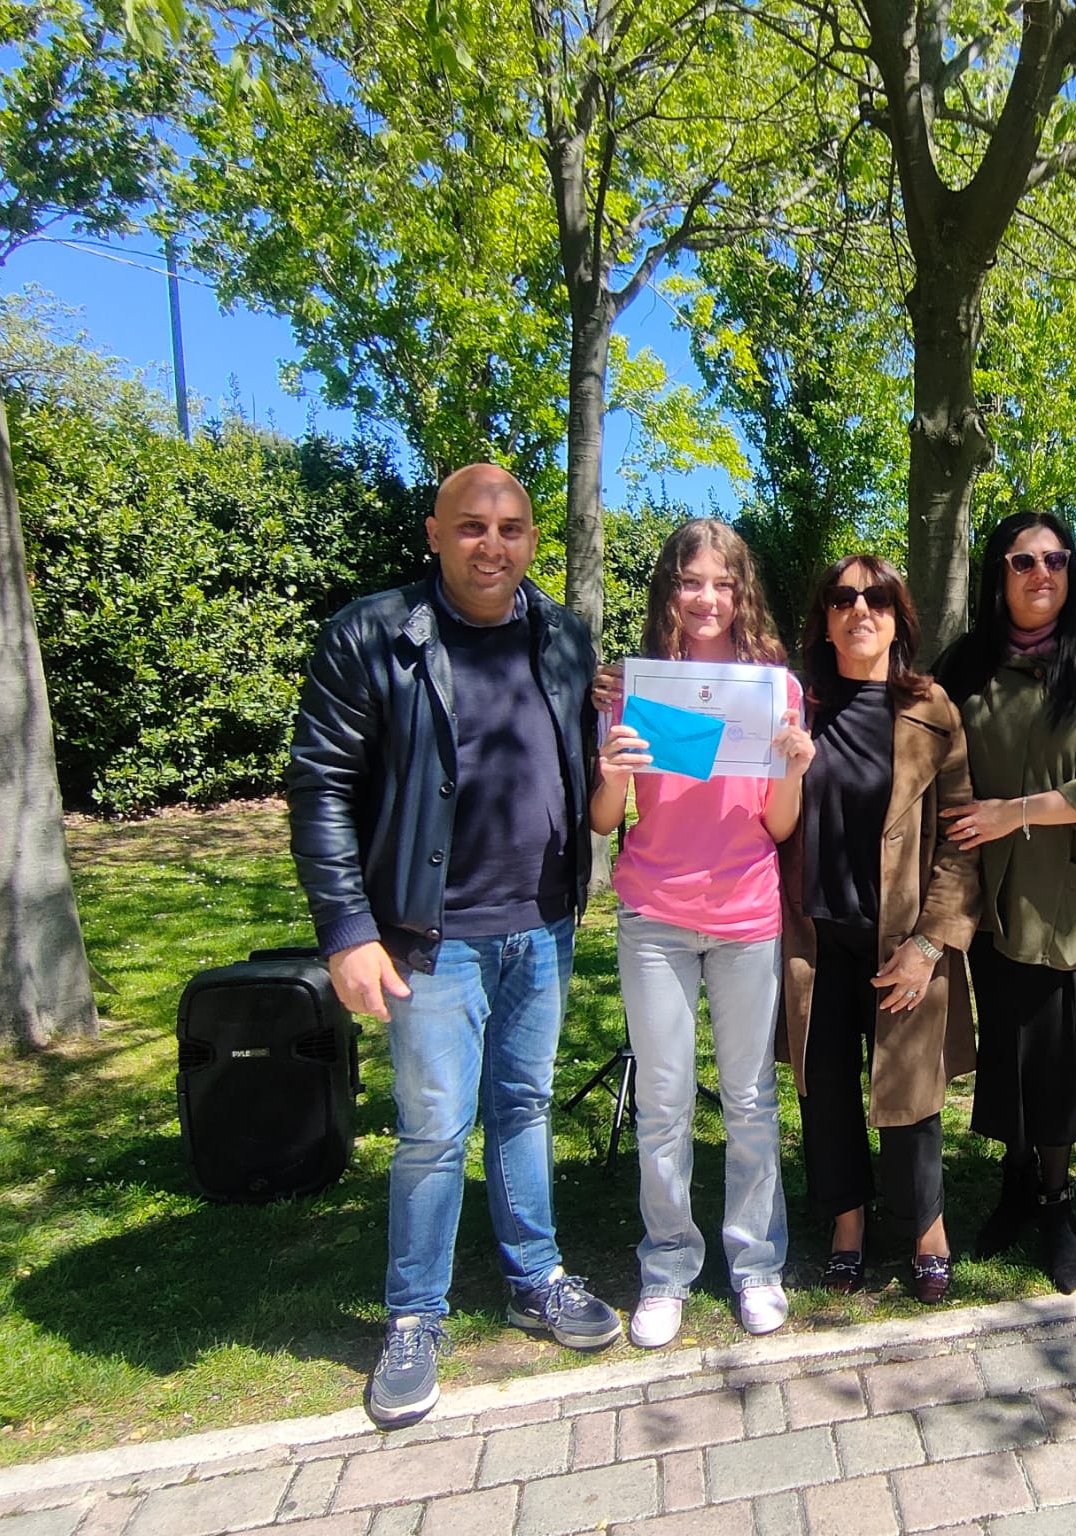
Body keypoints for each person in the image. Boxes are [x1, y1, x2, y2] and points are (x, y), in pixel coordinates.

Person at [286, 463, 622, 1431]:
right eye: (471, 526)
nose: (492, 544)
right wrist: (348, 931)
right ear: (434, 533)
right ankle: (413, 1317)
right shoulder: (371, 635)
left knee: (522, 1106)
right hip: (429, 937)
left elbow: (580, 758)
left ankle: (535, 1277)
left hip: (542, 924)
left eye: (511, 528)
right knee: (434, 1129)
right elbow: (320, 785)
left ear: (532, 539)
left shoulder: (561, 635)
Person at [589, 519, 813, 1349]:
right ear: (669, 590)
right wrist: (608, 772)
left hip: (747, 915)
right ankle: (667, 1268)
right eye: (691, 582)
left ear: (742, 590)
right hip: (654, 916)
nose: (707, 598)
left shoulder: (776, 690)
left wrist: (793, 768)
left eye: (722, 582)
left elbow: (779, 827)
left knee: (751, 1100)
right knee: (663, 1101)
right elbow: (605, 819)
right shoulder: (633, 686)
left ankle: (756, 1265)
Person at [935, 512, 1076, 1293]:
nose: (1041, 574)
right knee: (1005, 1043)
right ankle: (1016, 1180)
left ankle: (1058, 1202)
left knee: (1052, 1052)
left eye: (1055, 559)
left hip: (1060, 892)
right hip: (985, 890)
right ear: (999, 573)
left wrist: (1012, 813)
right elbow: (914, 732)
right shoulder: (968, 665)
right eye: (1023, 561)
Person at [778, 555, 980, 1304]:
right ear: (824, 622)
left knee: (910, 1089)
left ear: (899, 620)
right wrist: (624, 691)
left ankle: (927, 1227)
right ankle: (847, 1226)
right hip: (815, 938)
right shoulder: (794, 707)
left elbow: (962, 840)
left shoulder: (932, 709)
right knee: (825, 1088)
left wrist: (931, 943)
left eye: (878, 599)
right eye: (842, 598)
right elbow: (706, 721)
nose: (860, 610)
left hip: (903, 942)